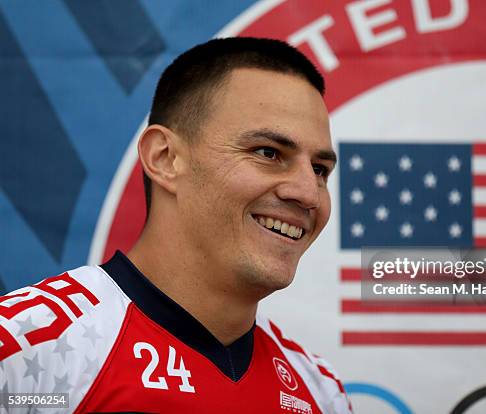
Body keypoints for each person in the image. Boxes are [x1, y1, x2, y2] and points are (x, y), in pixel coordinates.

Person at [0, 37, 352, 413]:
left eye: (319, 170)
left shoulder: (321, 393)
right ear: (165, 157)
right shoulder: (23, 350)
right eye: (268, 153)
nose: (308, 194)